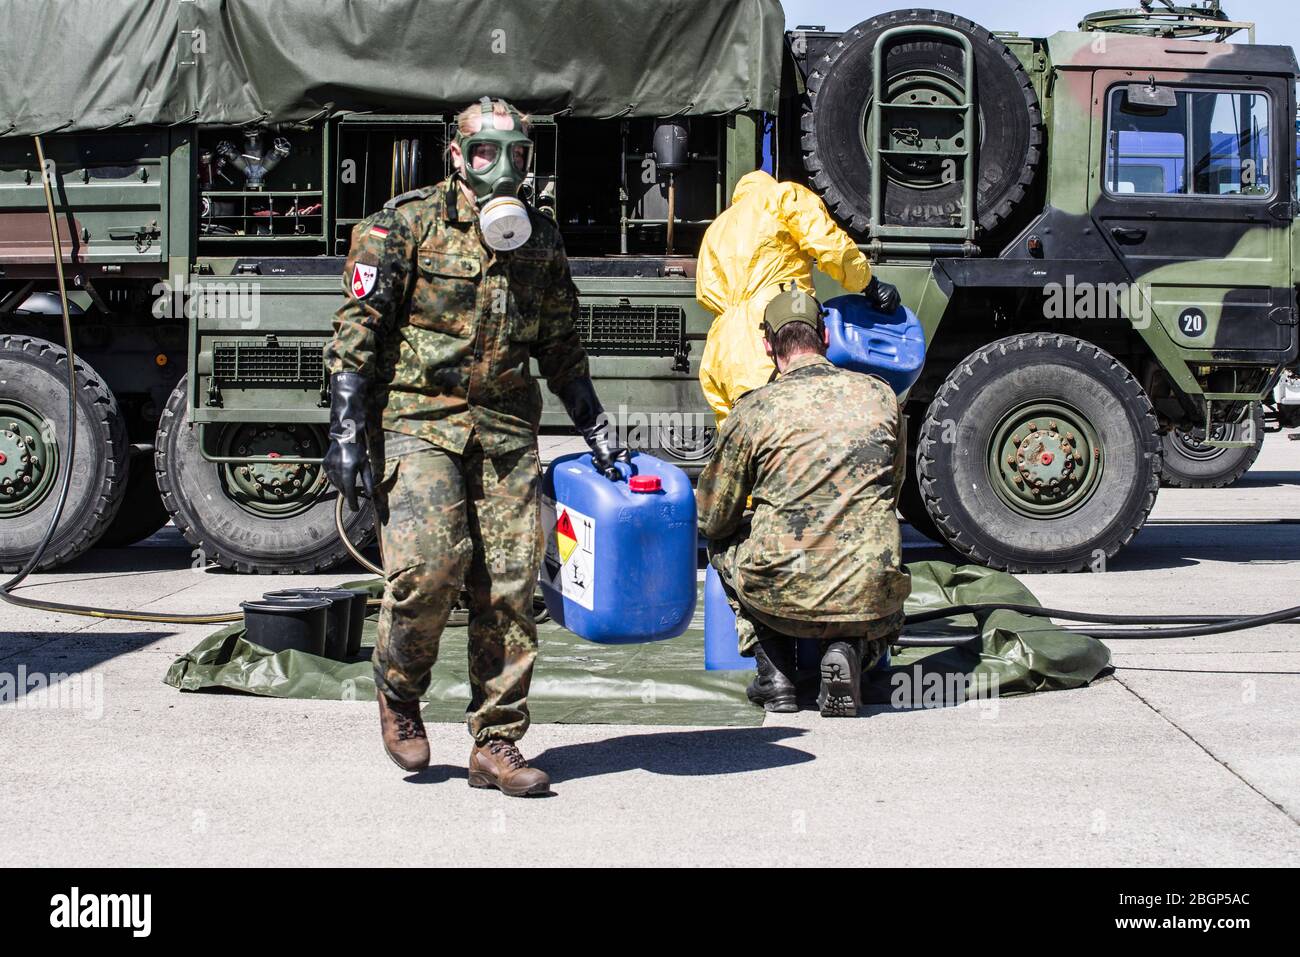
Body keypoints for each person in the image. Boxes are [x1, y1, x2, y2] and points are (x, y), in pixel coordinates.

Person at [323, 98, 625, 797]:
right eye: (485, 153)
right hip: (418, 420)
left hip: (506, 430)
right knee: (431, 568)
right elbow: (356, 331)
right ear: (455, 157)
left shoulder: (540, 240)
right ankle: (399, 692)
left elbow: (560, 343)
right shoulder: (402, 226)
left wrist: (594, 423)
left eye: (514, 152)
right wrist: (344, 431)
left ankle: (497, 742)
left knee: (514, 585)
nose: (501, 167)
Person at [696, 287, 911, 717]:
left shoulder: (754, 408)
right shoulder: (881, 396)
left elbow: (714, 517)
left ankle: (774, 672)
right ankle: (846, 647)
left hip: (779, 594)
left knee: (723, 543)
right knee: (868, 531)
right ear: (825, 337)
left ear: (766, 345)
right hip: (873, 592)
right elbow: (894, 487)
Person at [696, 170, 900, 424]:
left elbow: (704, 293)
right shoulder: (780, 196)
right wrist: (869, 284)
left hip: (722, 347)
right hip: (772, 326)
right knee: (790, 433)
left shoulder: (715, 229)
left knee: (738, 438)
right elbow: (829, 245)